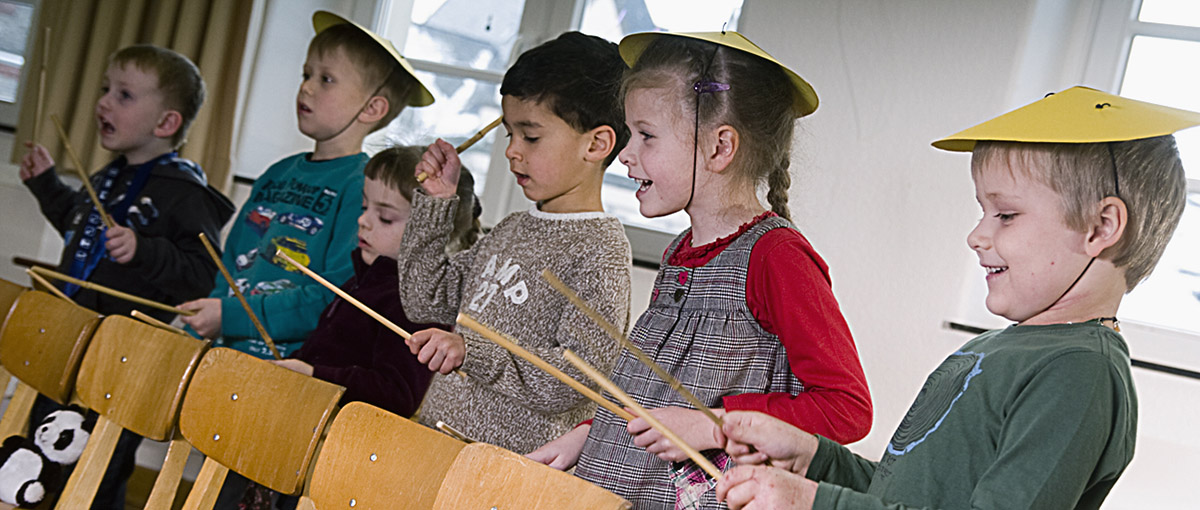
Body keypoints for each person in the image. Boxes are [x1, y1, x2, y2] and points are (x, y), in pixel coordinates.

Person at [713, 86, 1200, 510]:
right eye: (982, 212)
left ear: (1101, 227)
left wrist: (815, 503)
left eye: (1005, 215)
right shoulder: (1007, 348)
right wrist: (814, 459)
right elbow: (909, 494)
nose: (976, 235)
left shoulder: (1079, 373)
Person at [528, 32, 873, 509]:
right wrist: (588, 435)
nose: (626, 154)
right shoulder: (679, 254)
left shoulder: (778, 258)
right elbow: (650, 385)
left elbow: (847, 410)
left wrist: (715, 424)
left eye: (646, 135)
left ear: (719, 147)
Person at [19, 44, 232, 510]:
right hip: (69, 344)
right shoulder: (110, 175)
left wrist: (145, 250)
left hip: (124, 363)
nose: (103, 102)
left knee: (95, 472)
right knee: (37, 459)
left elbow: (202, 277)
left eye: (124, 95)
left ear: (166, 124)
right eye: (104, 90)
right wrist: (47, 187)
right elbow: (85, 233)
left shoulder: (185, 193)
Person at [399, 31, 633, 454]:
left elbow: (577, 379)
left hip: (503, 472)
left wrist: (473, 353)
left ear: (596, 144)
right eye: (509, 134)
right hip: (435, 444)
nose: (511, 151)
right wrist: (437, 205)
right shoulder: (512, 228)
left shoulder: (600, 251)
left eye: (531, 136)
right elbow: (424, 300)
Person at [179, 11, 433, 359]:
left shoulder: (362, 186)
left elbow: (332, 296)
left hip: (286, 365)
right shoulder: (276, 172)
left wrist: (230, 317)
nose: (306, 86)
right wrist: (207, 317)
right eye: (306, 74)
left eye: (326, 79)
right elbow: (230, 262)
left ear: (372, 108)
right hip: (222, 349)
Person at [271, 145, 481, 418]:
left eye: (385, 217)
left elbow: (397, 394)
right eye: (364, 206)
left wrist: (315, 375)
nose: (362, 220)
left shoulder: (415, 305)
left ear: (432, 229)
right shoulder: (361, 278)